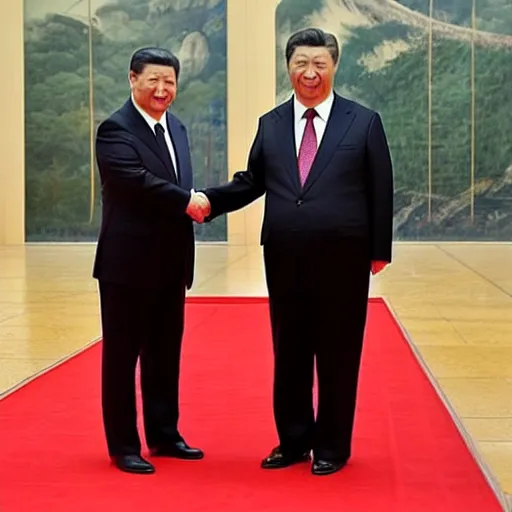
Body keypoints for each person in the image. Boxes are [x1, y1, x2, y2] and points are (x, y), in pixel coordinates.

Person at [197, 28, 394, 475]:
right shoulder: (270, 124)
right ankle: (292, 441)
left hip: (344, 259)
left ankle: (332, 447)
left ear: (334, 66)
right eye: (301, 64)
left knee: (339, 352)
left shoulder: (362, 121)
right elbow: (252, 181)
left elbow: (381, 187)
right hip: (284, 258)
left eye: (319, 64)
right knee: (290, 351)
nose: (309, 73)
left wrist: (379, 249)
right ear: (288, 66)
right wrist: (210, 200)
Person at [93, 47, 210, 474]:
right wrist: (190, 202)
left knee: (165, 354)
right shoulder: (115, 130)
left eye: (170, 82)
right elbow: (136, 183)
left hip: (170, 263)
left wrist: (195, 200)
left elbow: (177, 183)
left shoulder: (176, 128)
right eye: (153, 80)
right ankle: (124, 445)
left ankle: (164, 435)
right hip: (127, 265)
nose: (162, 89)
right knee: (122, 358)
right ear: (132, 79)